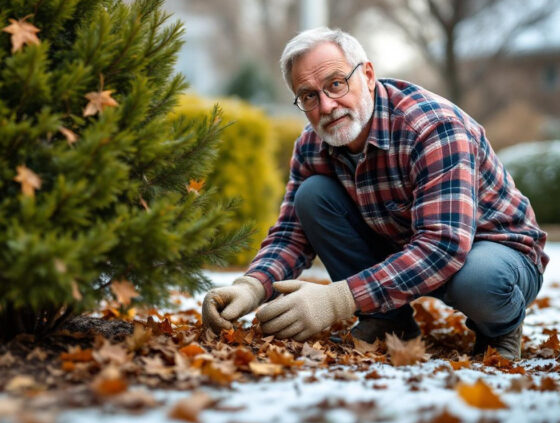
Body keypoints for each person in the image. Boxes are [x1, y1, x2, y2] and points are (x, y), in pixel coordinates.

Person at [201, 27, 548, 360]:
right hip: (405, 247)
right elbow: (292, 234)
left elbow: (443, 246)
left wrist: (339, 299)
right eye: (309, 96)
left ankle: (501, 328)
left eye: (335, 84)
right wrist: (252, 286)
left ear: (367, 75)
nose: (326, 106)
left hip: (495, 251)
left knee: (477, 280)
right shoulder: (313, 143)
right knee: (312, 195)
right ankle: (387, 322)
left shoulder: (432, 127)